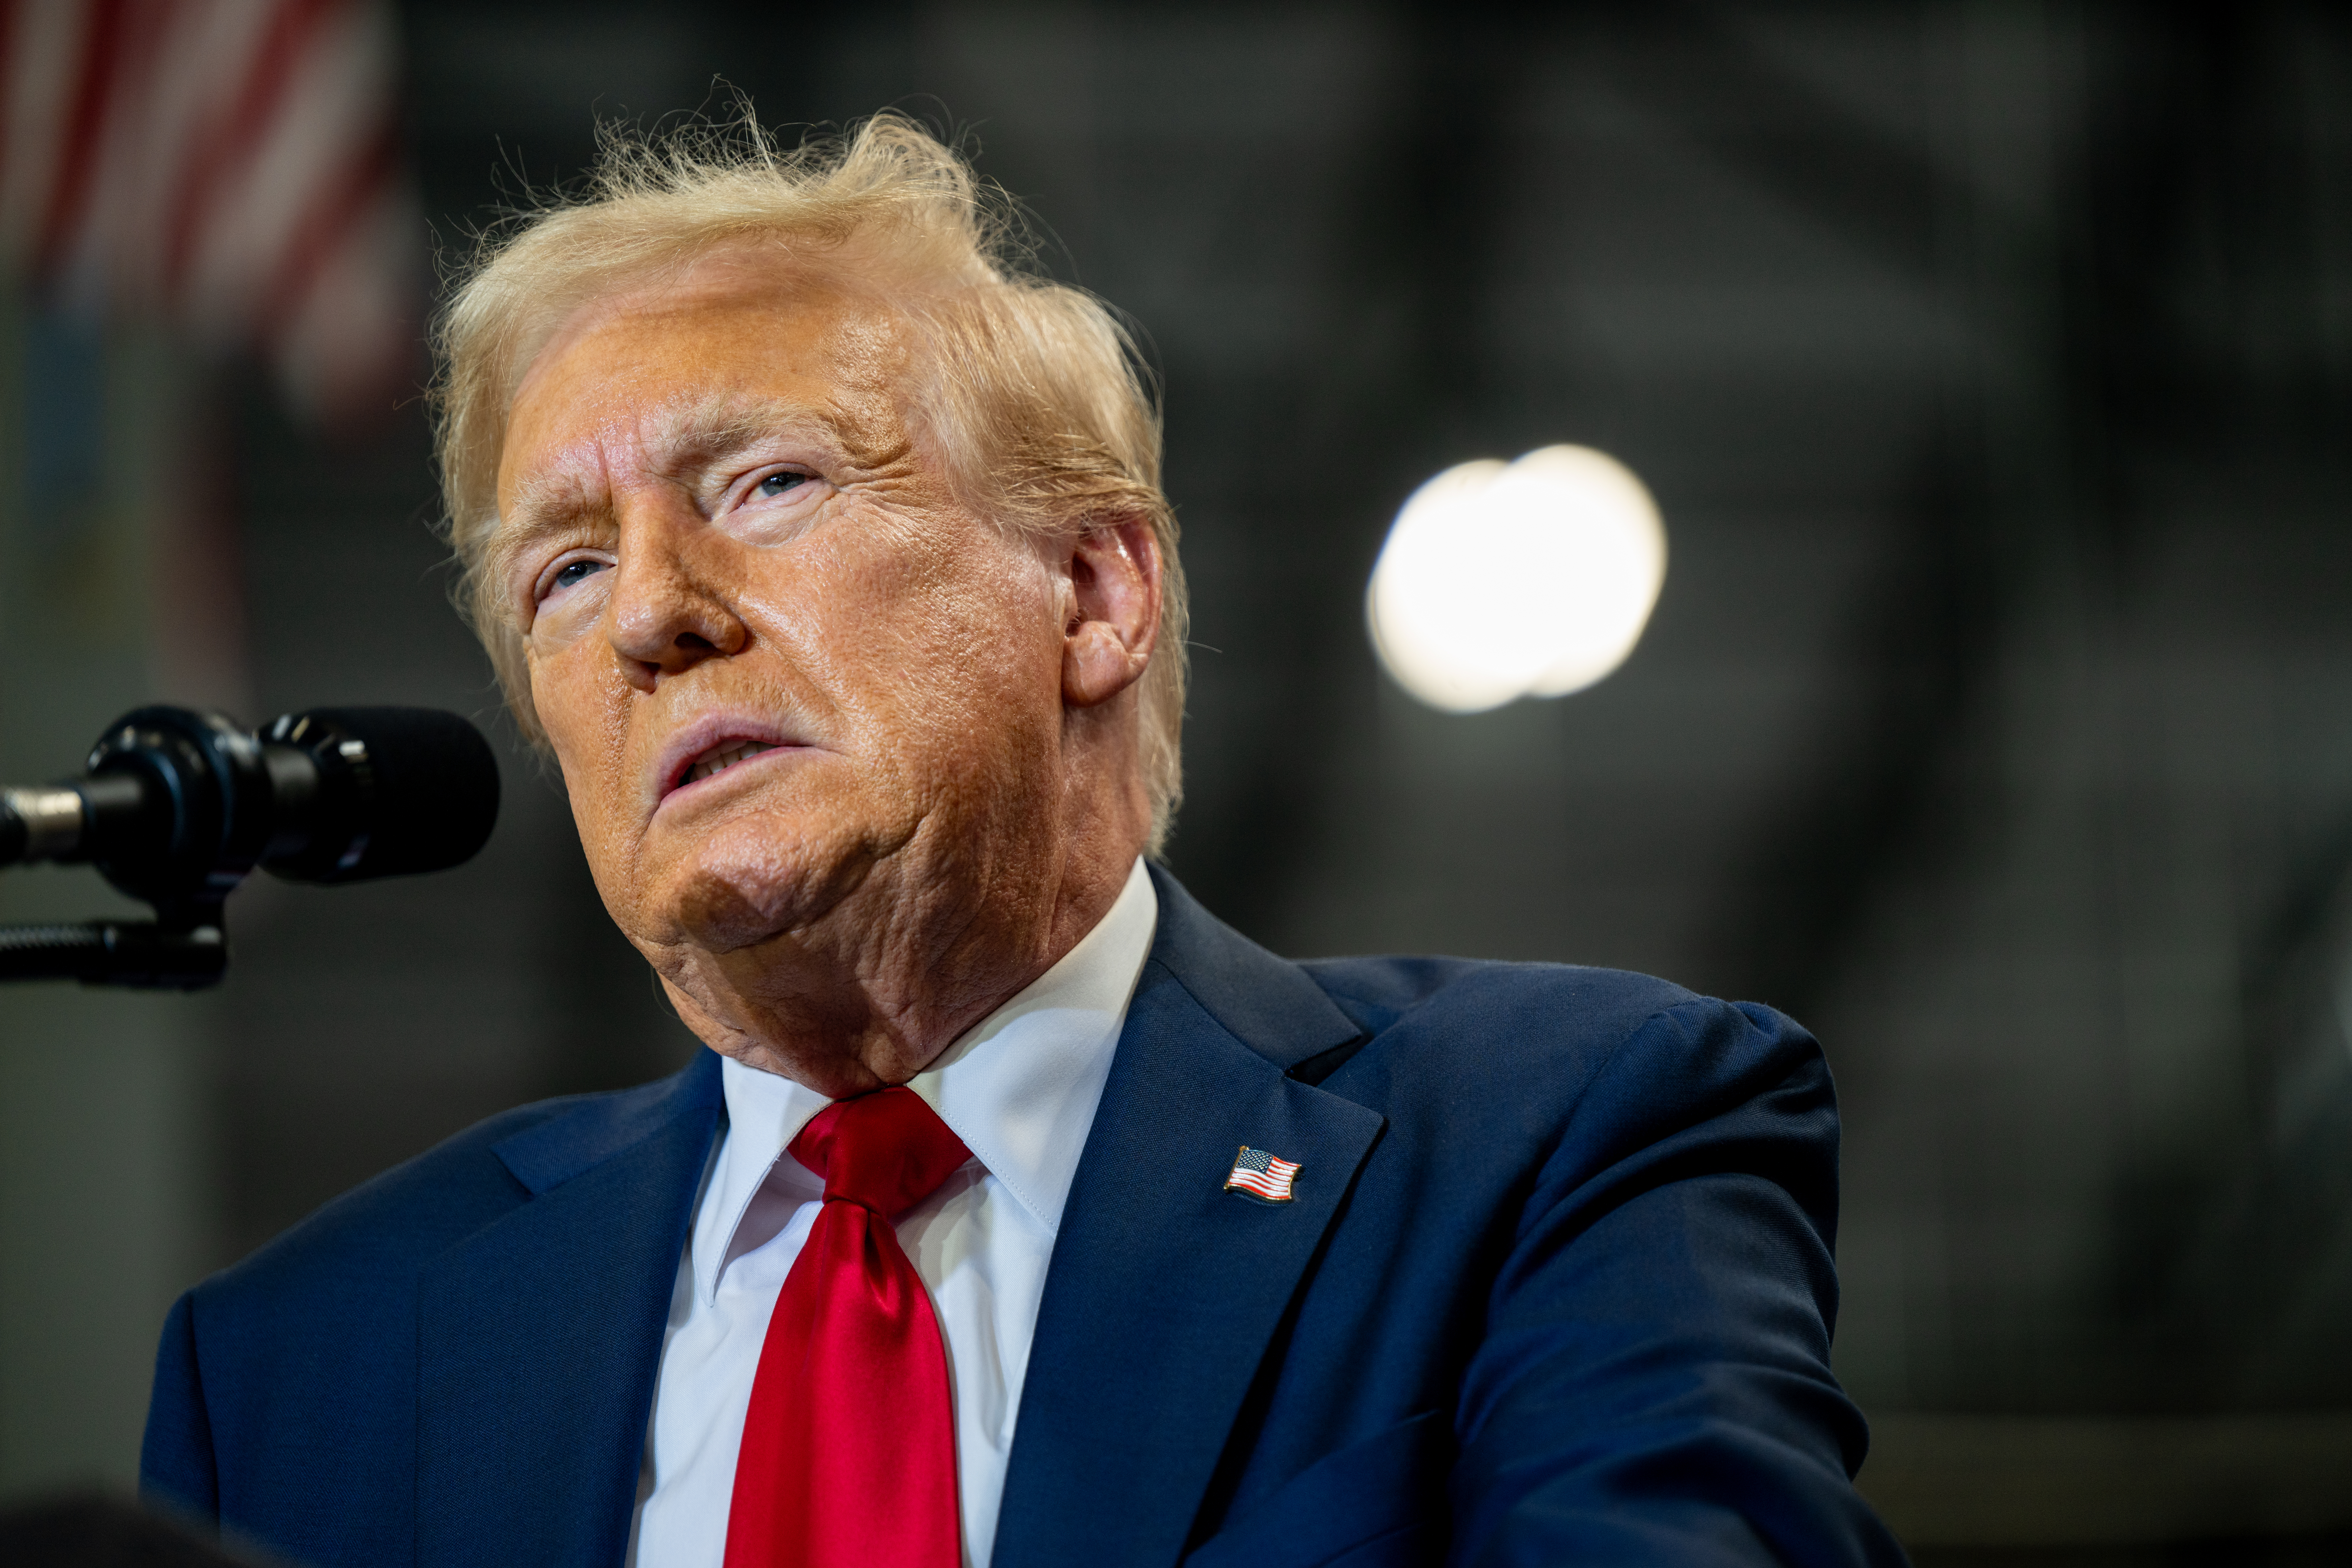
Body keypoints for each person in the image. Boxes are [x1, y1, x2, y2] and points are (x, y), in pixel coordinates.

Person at [140, 114, 1906, 1568]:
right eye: (567, 569)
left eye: (767, 484)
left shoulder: (1556, 1145)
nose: (652, 619)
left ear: (1093, 591)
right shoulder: (306, 1365)